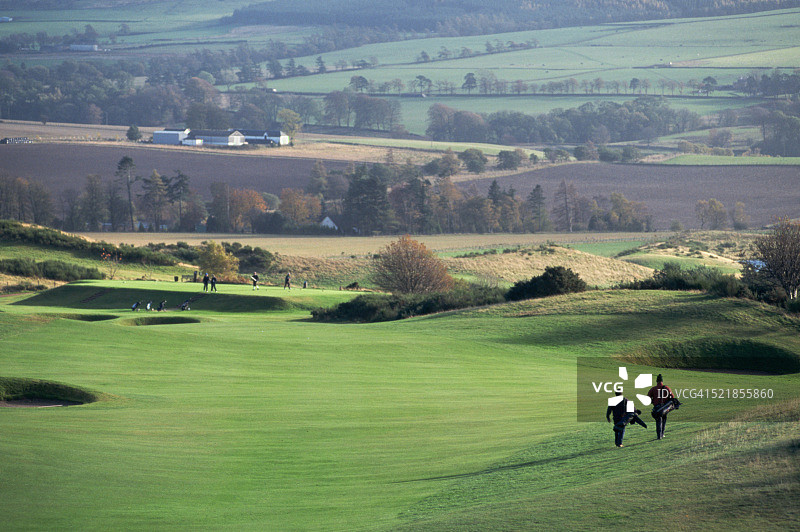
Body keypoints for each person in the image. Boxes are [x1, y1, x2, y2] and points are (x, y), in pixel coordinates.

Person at [648, 374, 674, 440]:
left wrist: (653, 402)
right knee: (664, 420)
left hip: (657, 408)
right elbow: (672, 397)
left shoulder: (653, 389)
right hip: (665, 408)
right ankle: (662, 434)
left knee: (658, 421)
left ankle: (659, 436)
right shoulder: (667, 388)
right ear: (662, 381)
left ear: (657, 381)